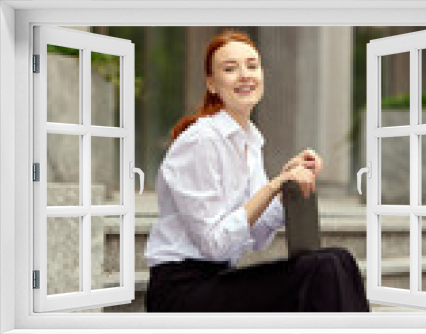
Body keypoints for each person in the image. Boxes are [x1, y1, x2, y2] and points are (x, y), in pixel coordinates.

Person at [144, 29, 369, 312]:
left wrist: (285, 189)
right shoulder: (202, 140)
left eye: (252, 65)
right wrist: (273, 185)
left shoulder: (249, 140)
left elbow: (259, 235)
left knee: (339, 259)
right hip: (181, 291)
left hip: (217, 278)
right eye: (230, 68)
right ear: (212, 84)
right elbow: (214, 245)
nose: (245, 74)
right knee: (322, 269)